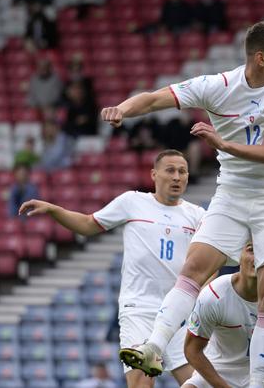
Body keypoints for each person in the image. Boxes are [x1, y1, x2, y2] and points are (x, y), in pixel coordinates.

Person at [106, 21, 264, 388]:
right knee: (194, 267)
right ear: (261, 58)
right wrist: (122, 108)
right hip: (232, 193)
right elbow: (152, 98)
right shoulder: (217, 87)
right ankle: (154, 346)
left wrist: (223, 145)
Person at [19, 150, 204, 388]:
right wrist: (55, 210)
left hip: (179, 314)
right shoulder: (132, 202)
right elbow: (87, 225)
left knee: (197, 384)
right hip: (138, 309)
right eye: (170, 170)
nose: (177, 177)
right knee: (140, 384)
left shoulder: (198, 215)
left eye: (182, 171)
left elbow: (209, 261)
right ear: (154, 174)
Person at [182, 243, 258, 388]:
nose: (257, 258)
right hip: (218, 372)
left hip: (261, 377)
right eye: (251, 250)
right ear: (238, 255)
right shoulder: (214, 295)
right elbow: (191, 350)